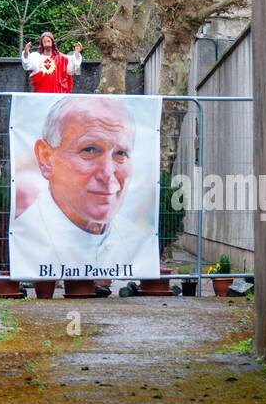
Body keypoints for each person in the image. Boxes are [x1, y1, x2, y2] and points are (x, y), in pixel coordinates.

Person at [9, 95, 159, 278]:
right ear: (46, 158)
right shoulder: (27, 236)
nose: (108, 174)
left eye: (120, 153)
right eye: (89, 150)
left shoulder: (136, 240)